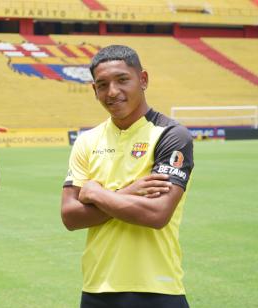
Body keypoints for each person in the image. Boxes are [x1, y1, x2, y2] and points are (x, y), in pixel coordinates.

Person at [61, 45, 194, 308]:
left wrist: (97, 194)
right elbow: (70, 216)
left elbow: (156, 215)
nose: (112, 92)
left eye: (123, 80)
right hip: (96, 290)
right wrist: (130, 193)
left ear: (143, 80)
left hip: (158, 289)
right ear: (94, 90)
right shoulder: (87, 141)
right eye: (102, 84)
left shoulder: (171, 135)